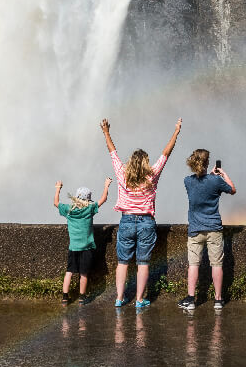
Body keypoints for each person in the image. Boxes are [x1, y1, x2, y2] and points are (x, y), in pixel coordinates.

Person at [101, 117, 182, 308]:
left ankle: (119, 298)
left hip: (127, 221)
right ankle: (139, 300)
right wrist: (176, 131)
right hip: (146, 222)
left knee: (122, 262)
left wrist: (106, 132)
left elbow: (112, 152)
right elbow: (165, 154)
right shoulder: (152, 175)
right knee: (143, 262)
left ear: (131, 162)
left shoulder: (122, 173)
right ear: (145, 163)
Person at [178, 149, 236, 311]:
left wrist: (210, 176)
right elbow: (232, 189)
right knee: (217, 264)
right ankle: (218, 300)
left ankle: (191, 299)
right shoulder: (215, 181)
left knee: (193, 265)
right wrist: (222, 174)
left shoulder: (187, 181)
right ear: (207, 162)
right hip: (214, 229)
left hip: (195, 229)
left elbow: (201, 184)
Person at [54, 178, 112, 304]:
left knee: (69, 271)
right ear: (88, 199)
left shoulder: (68, 210)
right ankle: (82, 297)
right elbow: (103, 199)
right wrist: (106, 185)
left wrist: (58, 188)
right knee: (84, 273)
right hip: (86, 247)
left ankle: (65, 297)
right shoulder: (89, 209)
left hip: (73, 247)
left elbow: (56, 203)